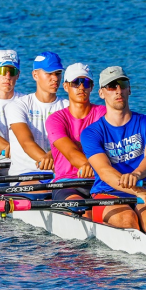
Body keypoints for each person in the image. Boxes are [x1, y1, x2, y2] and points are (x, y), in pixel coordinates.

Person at [80, 66, 146, 232]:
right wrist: (137, 190)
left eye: (122, 84)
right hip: (107, 194)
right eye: (112, 86)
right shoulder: (91, 133)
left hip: (144, 190)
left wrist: (136, 175)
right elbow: (105, 171)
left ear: (129, 90)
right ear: (101, 93)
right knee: (127, 219)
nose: (118, 90)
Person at [46, 63, 106, 201]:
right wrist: (90, 165)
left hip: (102, 181)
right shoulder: (55, 119)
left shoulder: (103, 114)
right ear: (66, 86)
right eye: (76, 82)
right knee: (81, 208)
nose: (81, 87)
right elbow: (71, 154)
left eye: (85, 82)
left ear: (91, 87)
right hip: (67, 183)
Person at [5, 52, 68, 178]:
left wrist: (53, 155)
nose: (55, 78)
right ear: (35, 75)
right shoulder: (17, 106)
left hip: (61, 175)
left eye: (58, 73)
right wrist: (49, 160)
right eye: (49, 73)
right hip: (26, 174)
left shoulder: (68, 106)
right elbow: (27, 142)